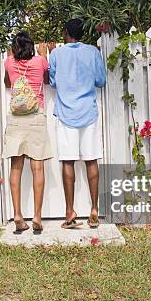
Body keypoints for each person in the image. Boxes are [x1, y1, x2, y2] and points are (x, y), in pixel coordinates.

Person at [48, 18, 106, 229]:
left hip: (66, 115)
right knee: (91, 160)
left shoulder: (56, 54)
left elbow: (53, 82)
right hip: (88, 113)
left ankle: (69, 212)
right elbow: (101, 81)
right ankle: (94, 209)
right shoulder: (92, 52)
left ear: (66, 33)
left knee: (68, 162)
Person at [2, 31, 53, 235]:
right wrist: (45, 56)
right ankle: (37, 217)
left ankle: (17, 215)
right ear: (31, 46)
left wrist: (11, 59)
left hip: (15, 118)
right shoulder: (40, 61)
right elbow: (48, 81)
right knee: (37, 168)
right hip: (35, 116)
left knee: (16, 167)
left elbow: (8, 83)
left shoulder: (9, 62)